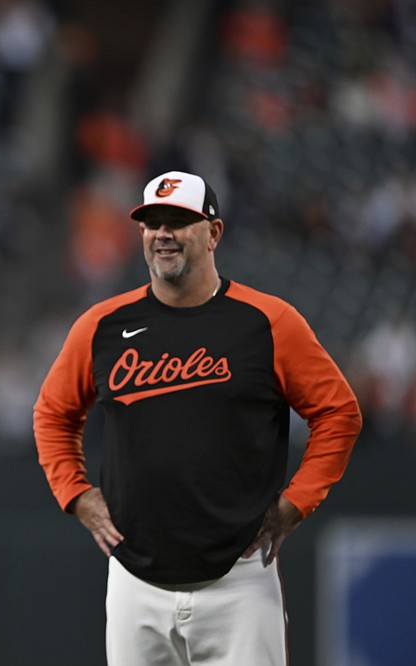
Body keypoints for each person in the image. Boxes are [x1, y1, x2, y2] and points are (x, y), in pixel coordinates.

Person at [33, 171, 362, 665]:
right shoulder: (102, 326)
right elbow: (53, 414)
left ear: (213, 232)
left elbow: (339, 412)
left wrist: (297, 501)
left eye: (179, 221)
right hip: (133, 579)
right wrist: (76, 494)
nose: (163, 233)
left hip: (240, 578)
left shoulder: (267, 322)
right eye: (152, 222)